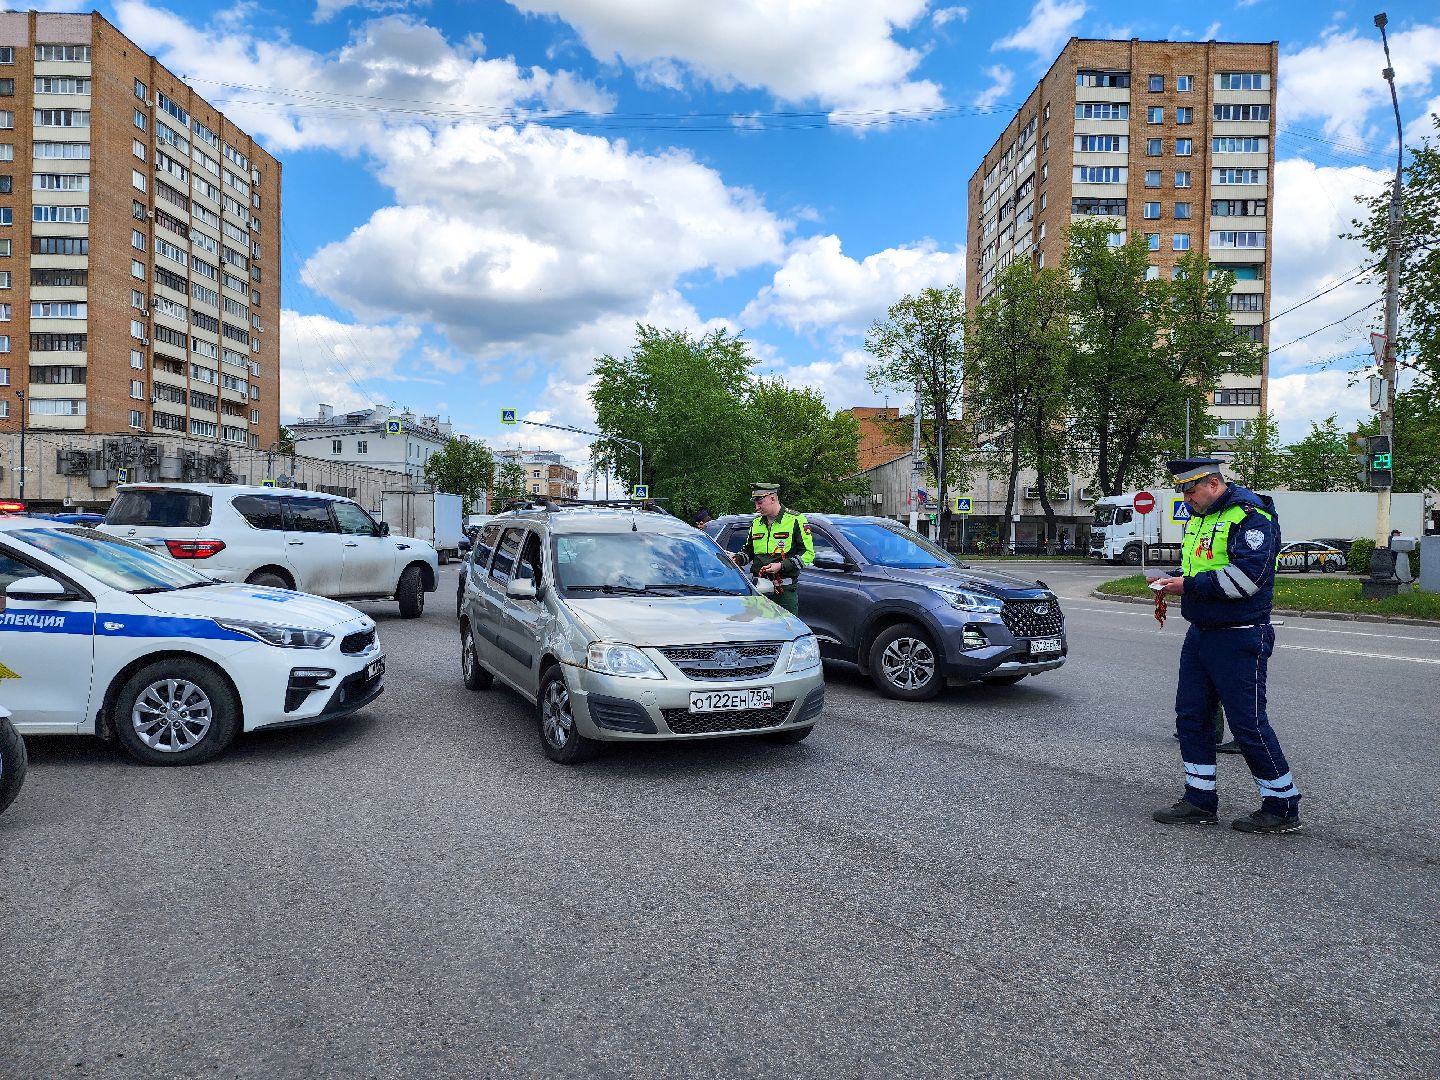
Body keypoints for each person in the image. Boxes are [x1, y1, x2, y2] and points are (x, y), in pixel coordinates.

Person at [1150, 458, 1302, 834]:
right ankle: (1199, 800)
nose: (1186, 499)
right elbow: (1203, 567)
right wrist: (1174, 579)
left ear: (1214, 484)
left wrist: (1188, 586)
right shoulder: (1201, 516)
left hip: (1240, 633)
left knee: (1248, 724)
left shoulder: (1251, 516)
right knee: (1192, 717)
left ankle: (1282, 805)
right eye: (1182, 491)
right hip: (1202, 631)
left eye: (1190, 490)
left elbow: (1247, 579)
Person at [731, 483, 814, 616]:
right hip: (759, 590)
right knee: (761, 633)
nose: (757, 507)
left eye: (760, 502)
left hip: (783, 592)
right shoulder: (756, 523)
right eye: (755, 503)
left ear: (772, 498)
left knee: (787, 633)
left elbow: (808, 554)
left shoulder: (795, 520)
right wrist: (738, 558)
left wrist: (781, 566)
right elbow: (749, 550)